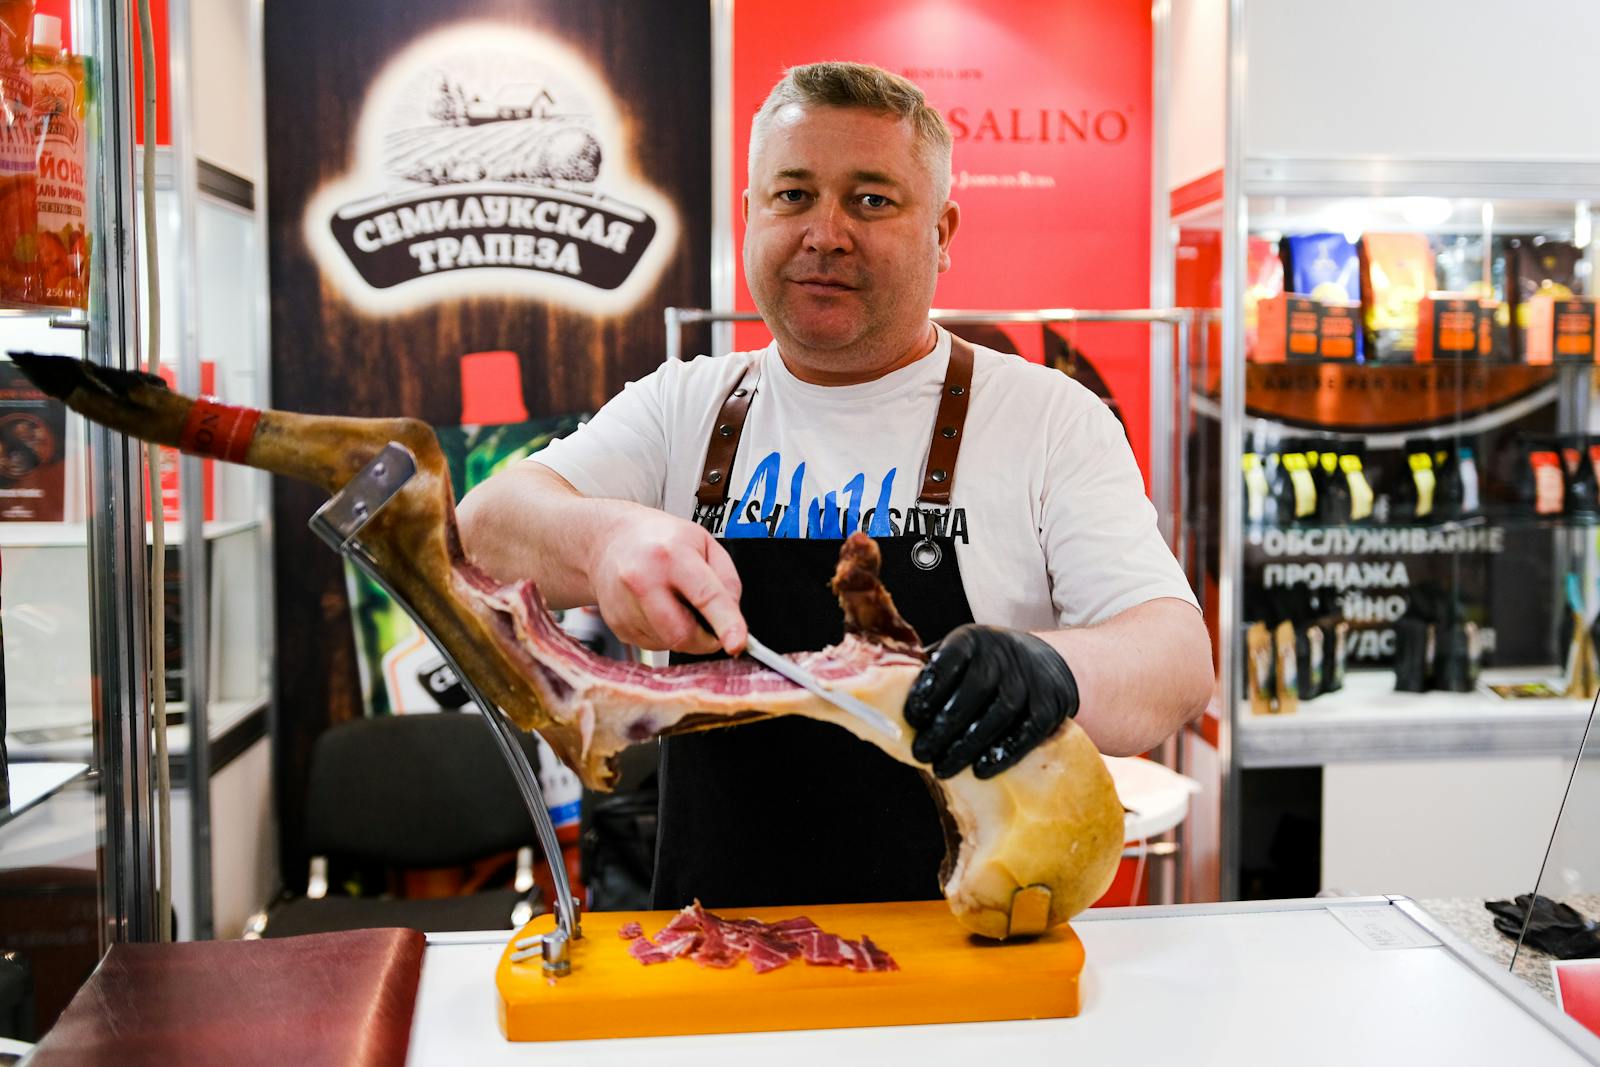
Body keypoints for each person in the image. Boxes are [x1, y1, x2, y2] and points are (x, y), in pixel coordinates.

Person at [458, 61, 1213, 910]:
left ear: (943, 229)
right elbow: (482, 527)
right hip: (716, 953)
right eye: (792, 195)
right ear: (749, 216)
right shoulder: (686, 405)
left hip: (971, 958)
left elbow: (1179, 660)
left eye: (872, 199)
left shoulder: (1047, 418)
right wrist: (605, 541)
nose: (825, 232)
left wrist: (1049, 667)